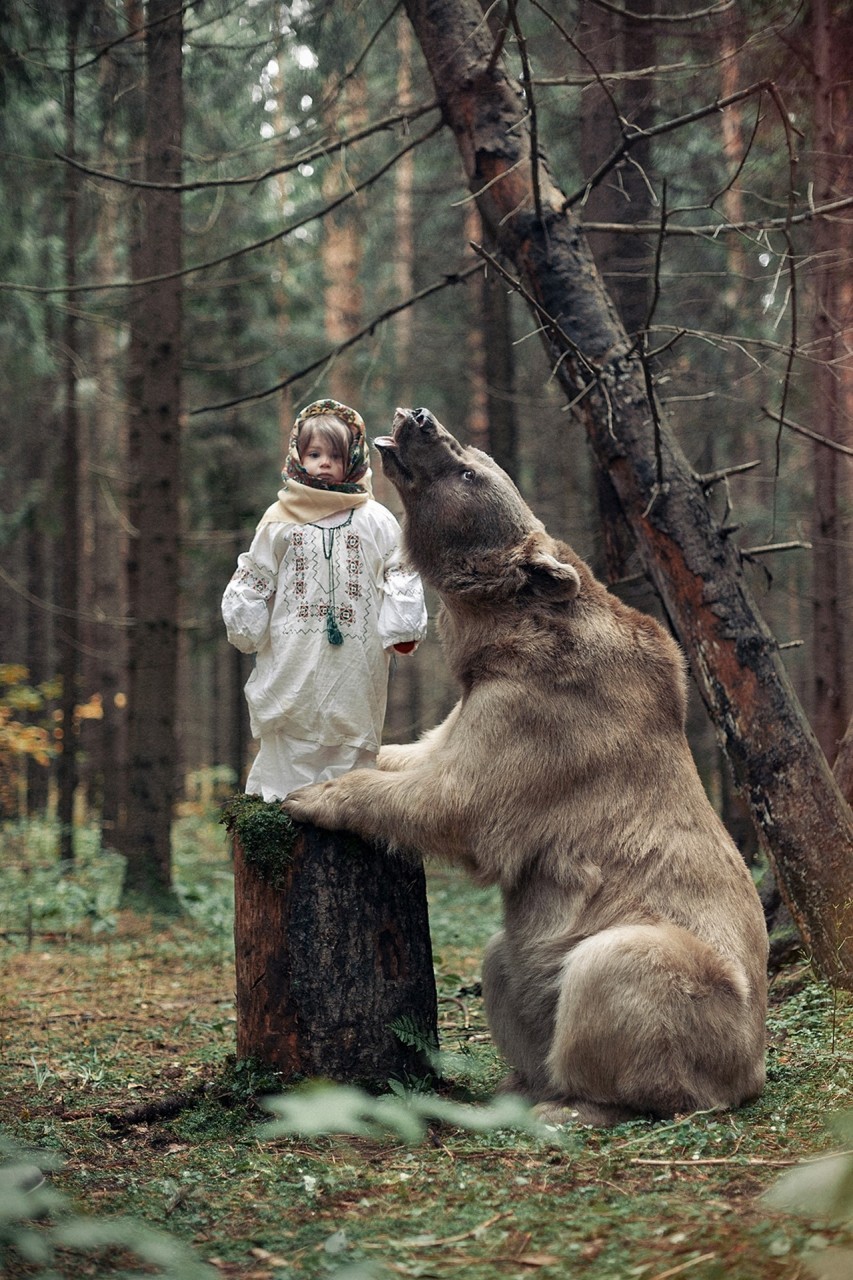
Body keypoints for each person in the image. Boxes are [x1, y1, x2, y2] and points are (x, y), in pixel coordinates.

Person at [222, 398, 428, 801]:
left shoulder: (376, 519)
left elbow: (400, 570)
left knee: (350, 728)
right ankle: (282, 808)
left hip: (356, 654)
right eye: (314, 454)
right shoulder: (278, 519)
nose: (324, 464)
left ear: (351, 458)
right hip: (291, 651)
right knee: (291, 723)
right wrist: (245, 622)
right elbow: (256, 574)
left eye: (335, 455)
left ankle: (347, 806)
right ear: (298, 456)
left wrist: (401, 627)